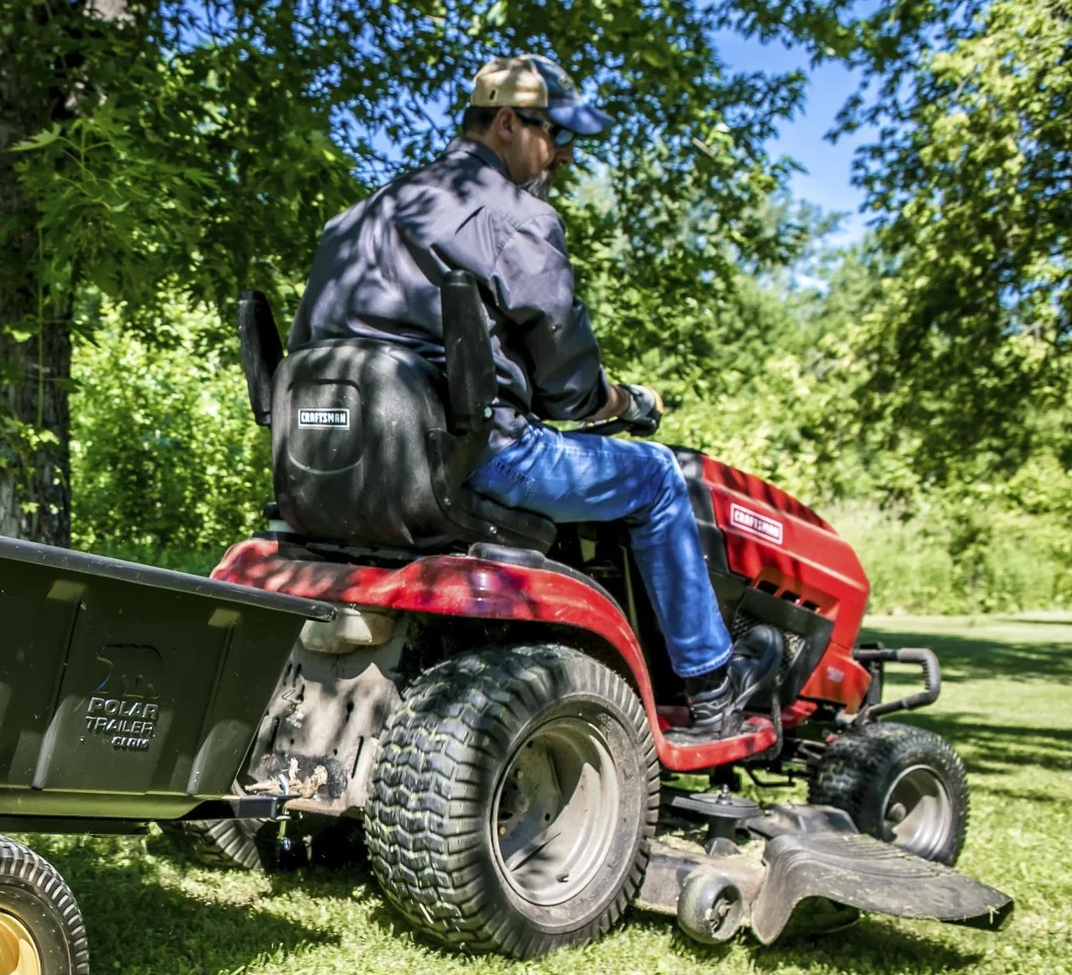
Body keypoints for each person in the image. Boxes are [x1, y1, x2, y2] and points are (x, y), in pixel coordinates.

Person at [288, 53, 778, 744]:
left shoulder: (360, 218)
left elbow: (317, 346)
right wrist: (621, 400)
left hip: (336, 466)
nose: (565, 155)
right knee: (659, 477)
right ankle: (712, 688)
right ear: (509, 122)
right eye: (557, 136)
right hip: (475, 455)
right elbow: (567, 383)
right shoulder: (514, 216)